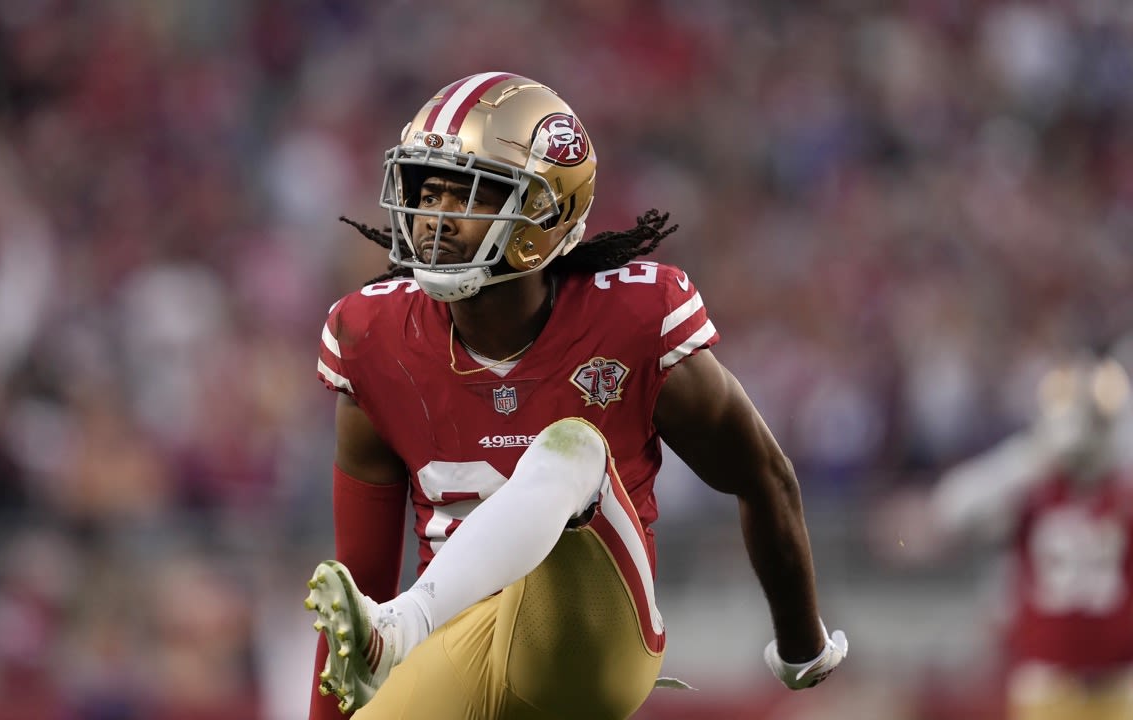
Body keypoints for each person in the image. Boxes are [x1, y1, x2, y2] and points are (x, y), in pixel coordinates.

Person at [305, 71, 847, 719]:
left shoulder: (632, 318)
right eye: (429, 190)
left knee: (573, 450)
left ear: (546, 210)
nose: (435, 220)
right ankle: (411, 625)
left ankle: (412, 620)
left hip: (590, 636)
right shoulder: (372, 337)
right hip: (454, 648)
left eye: (471, 195)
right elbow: (352, 604)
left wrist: (801, 644)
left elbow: (763, 476)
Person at [931, 349, 1133, 720]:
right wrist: (1035, 455)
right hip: (1048, 684)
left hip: (1120, 682)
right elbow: (952, 507)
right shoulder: (1030, 484)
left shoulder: (1122, 487)